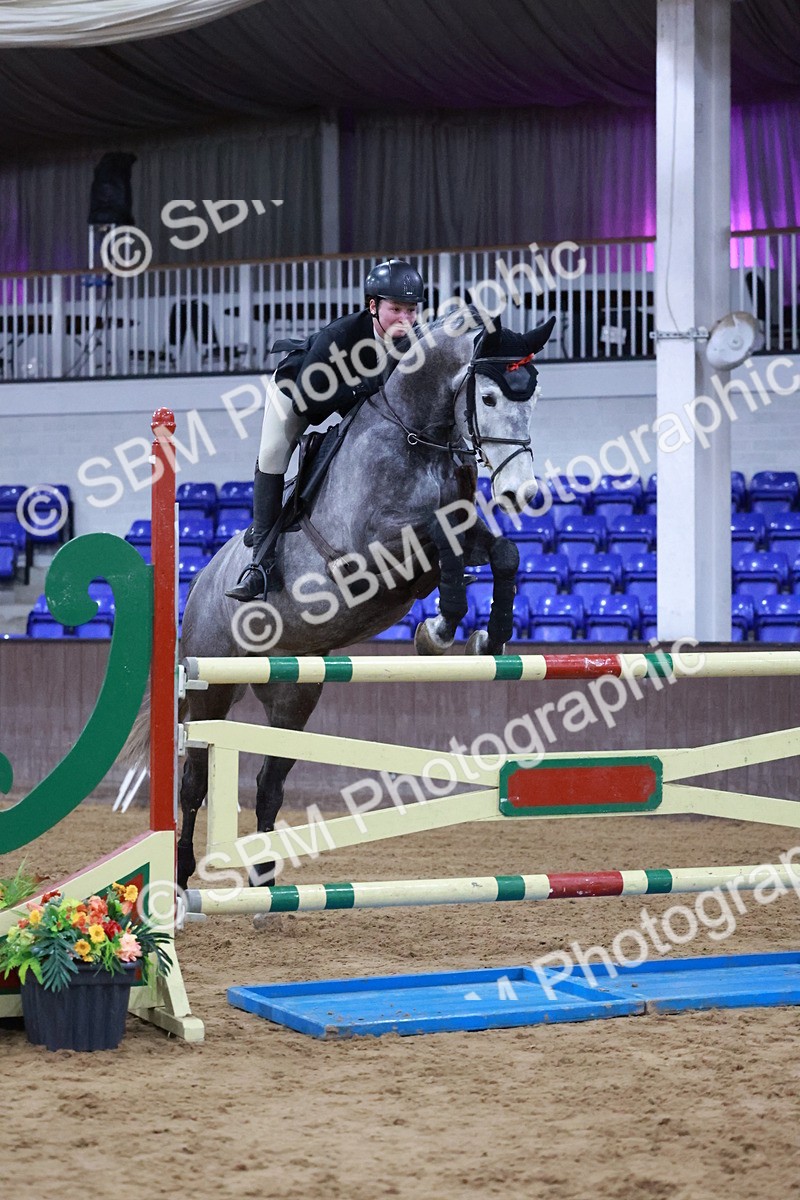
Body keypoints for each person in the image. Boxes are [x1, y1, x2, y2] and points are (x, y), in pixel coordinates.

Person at [226, 258, 425, 601]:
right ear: (373, 306)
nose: (406, 320)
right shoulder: (341, 336)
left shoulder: (412, 343)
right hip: (299, 393)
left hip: (353, 403)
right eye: (397, 309)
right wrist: (357, 389)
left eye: (412, 310)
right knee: (272, 454)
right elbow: (309, 405)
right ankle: (261, 564)